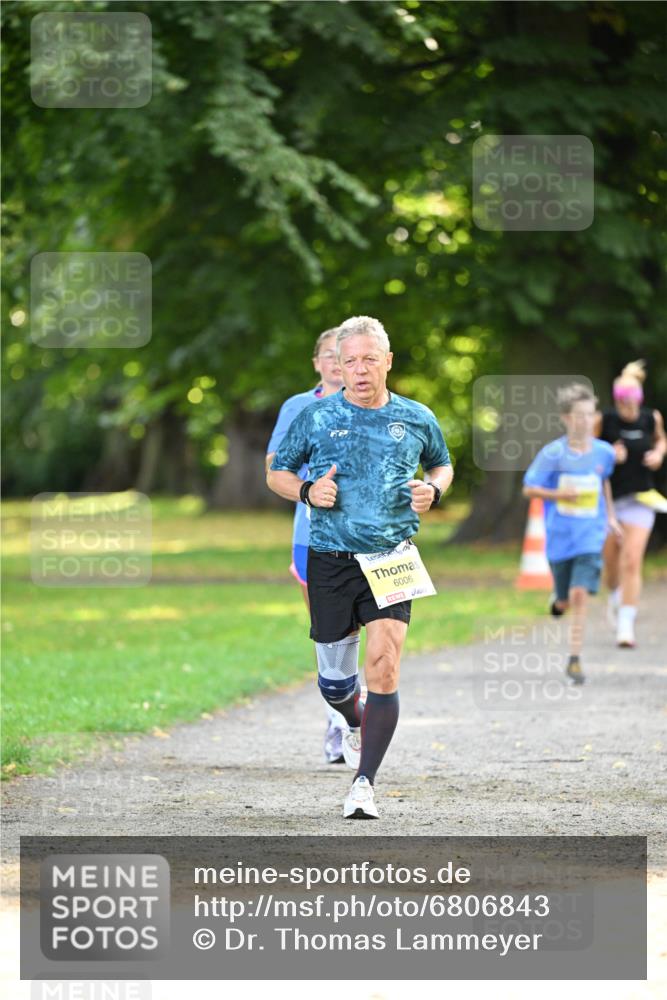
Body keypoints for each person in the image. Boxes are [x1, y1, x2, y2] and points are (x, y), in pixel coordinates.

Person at [267, 315, 453, 819]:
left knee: (385, 664)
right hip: (329, 557)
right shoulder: (316, 417)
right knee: (335, 681)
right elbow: (278, 472)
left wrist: (433, 488)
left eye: (370, 359)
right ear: (338, 367)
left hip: (392, 555)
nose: (361, 370)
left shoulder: (416, 417)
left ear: (388, 361)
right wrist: (308, 491)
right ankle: (351, 719)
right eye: (350, 361)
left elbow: (442, 462)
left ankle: (363, 783)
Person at [266, 328, 349, 763]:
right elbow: (273, 466)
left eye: (345, 353)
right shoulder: (298, 407)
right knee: (328, 629)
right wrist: (310, 482)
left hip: (369, 538)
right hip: (312, 535)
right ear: (317, 362)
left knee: (376, 626)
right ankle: (339, 720)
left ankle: (359, 709)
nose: (337, 361)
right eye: (329, 354)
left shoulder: (374, 406)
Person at [523, 383, 620, 685]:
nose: (586, 421)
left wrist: (612, 518)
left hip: (591, 535)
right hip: (560, 538)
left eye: (590, 415)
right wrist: (560, 496)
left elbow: (603, 483)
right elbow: (529, 489)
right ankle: (557, 601)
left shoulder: (604, 452)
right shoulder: (553, 453)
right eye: (579, 415)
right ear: (566, 418)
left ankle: (575, 659)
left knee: (581, 595)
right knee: (565, 600)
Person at [595, 360, 667, 647]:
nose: (626, 407)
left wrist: (659, 455)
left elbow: (661, 441)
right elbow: (586, 451)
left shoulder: (652, 418)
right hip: (609, 501)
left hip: (641, 498)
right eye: (621, 401)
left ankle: (626, 626)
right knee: (611, 564)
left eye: (631, 400)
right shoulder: (606, 420)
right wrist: (609, 454)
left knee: (632, 559)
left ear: (639, 399)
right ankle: (615, 596)